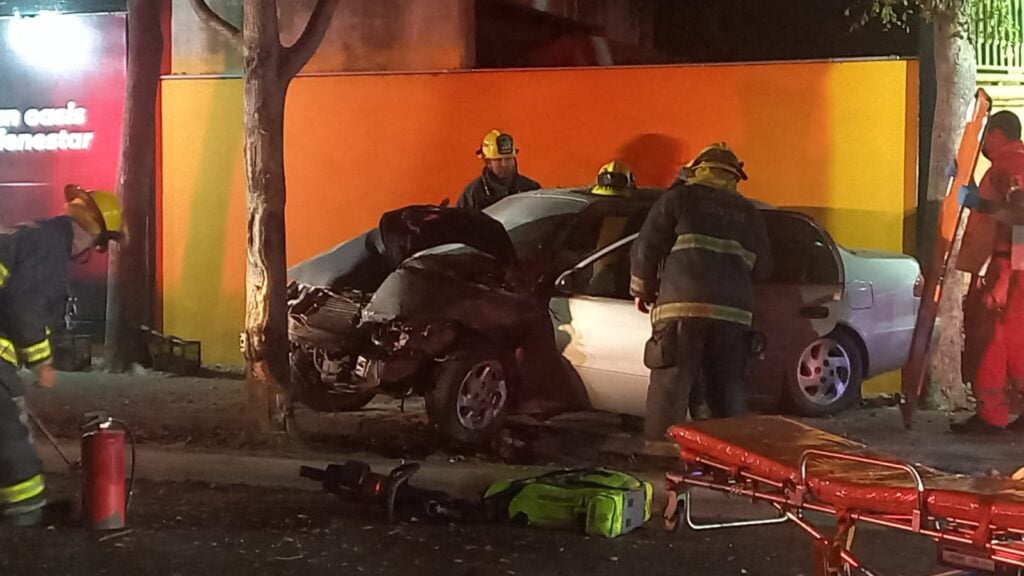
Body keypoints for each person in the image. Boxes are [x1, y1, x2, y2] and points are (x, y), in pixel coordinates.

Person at [630, 143, 773, 443]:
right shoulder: (750, 213)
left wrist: (641, 288)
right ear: (734, 176)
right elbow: (764, 268)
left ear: (698, 170)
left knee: (670, 386)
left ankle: (659, 454)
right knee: (727, 389)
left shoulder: (680, 198)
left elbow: (646, 247)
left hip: (680, 310)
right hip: (733, 316)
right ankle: (731, 459)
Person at [0, 184, 124, 525]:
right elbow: (25, 309)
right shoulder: (49, 248)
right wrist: (42, 362)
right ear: (91, 233)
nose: (94, 252)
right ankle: (25, 514)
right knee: (9, 433)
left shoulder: (34, 236)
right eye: (100, 245)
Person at [953, 111, 1024, 434]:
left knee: (990, 340)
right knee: (1016, 342)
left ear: (998, 134)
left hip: (1007, 265)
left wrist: (1005, 277)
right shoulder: (1012, 166)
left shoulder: (1011, 167)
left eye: (985, 135)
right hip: (1012, 264)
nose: (981, 143)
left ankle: (991, 415)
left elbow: (1019, 217)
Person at [457, 130, 541, 210]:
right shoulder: (472, 195)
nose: (504, 164)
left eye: (508, 159)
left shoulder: (531, 189)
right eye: (498, 160)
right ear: (488, 162)